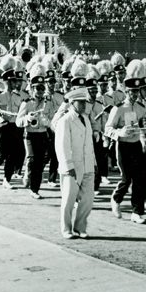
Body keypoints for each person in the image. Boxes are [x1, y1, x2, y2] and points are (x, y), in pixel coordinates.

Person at [105, 59, 146, 224]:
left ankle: (137, 212)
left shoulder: (141, 107)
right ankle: (116, 199)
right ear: (126, 91)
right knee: (126, 178)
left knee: (139, 179)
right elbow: (108, 128)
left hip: (136, 145)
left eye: (136, 92)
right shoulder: (118, 108)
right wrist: (120, 133)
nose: (134, 95)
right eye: (131, 92)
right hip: (123, 146)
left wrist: (144, 133)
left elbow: (143, 124)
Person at [54, 86, 96, 239]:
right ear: (71, 103)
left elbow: (89, 143)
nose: (84, 105)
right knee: (68, 199)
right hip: (73, 165)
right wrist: (67, 166)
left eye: (85, 102)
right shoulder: (65, 120)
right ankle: (66, 229)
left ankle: (80, 227)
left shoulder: (86, 119)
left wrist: (94, 163)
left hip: (87, 164)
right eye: (80, 102)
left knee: (88, 199)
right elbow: (61, 145)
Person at [17, 62, 55, 199]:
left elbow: (53, 119)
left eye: (41, 88)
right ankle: (28, 169)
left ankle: (35, 189)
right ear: (32, 89)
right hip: (30, 135)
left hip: (42, 135)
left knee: (39, 163)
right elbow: (18, 122)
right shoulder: (26, 103)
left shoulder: (48, 102)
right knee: (32, 159)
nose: (39, 91)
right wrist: (27, 118)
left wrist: (48, 122)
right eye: (37, 88)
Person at [0, 55, 24, 187]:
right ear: (7, 81)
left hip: (15, 128)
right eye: (13, 81)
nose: (16, 83)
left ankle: (7, 179)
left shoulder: (18, 97)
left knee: (12, 155)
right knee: (1, 154)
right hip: (3, 128)